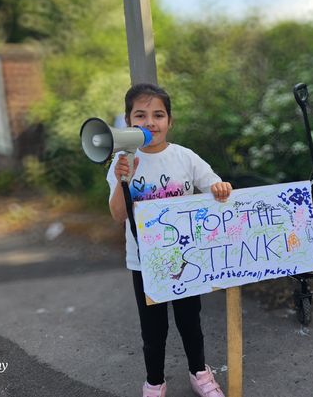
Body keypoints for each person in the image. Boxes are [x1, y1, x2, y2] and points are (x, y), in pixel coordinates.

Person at [106, 83, 232, 397]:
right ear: (127, 121)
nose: (150, 122)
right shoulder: (123, 162)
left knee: (190, 321)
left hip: (187, 259)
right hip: (144, 263)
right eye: (141, 115)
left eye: (158, 114)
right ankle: (154, 381)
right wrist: (125, 179)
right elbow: (118, 215)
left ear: (170, 121)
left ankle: (199, 373)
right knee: (153, 328)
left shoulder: (185, 157)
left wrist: (220, 189)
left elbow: (214, 185)